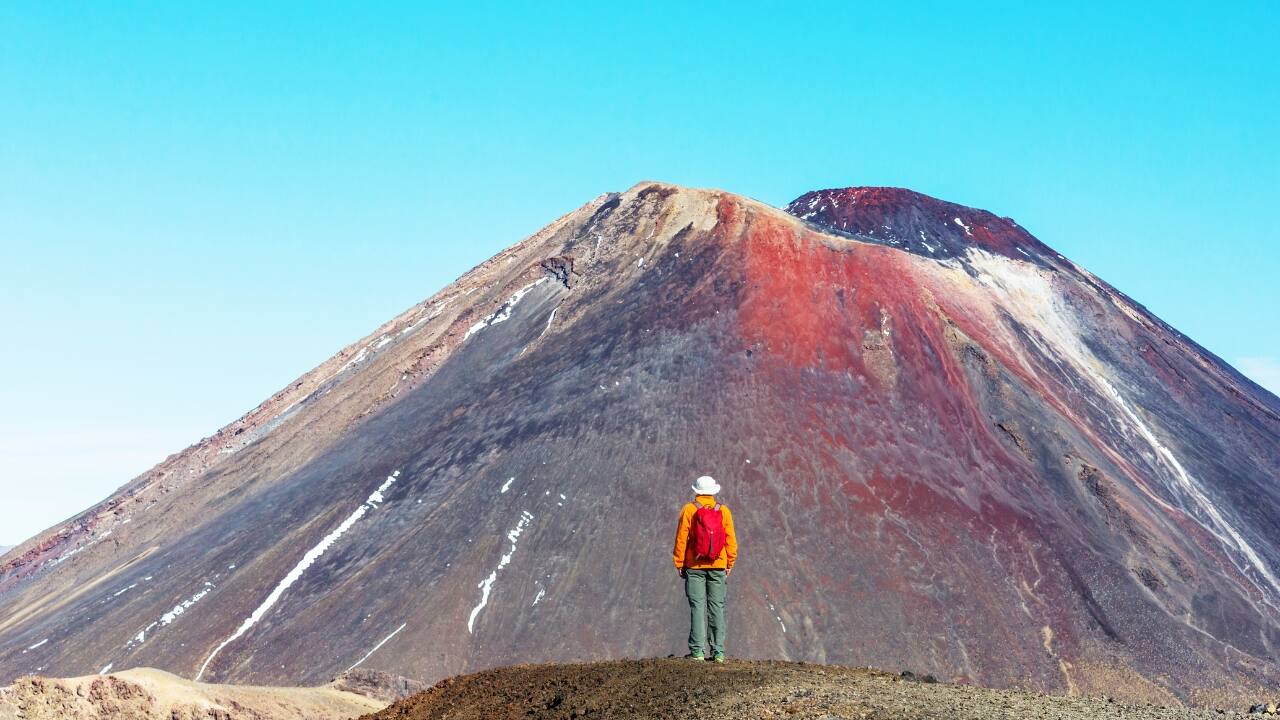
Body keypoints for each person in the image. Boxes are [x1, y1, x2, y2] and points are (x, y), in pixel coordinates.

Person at [672, 474, 738, 662]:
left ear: (696, 491)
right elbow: (731, 541)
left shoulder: (689, 510)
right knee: (717, 606)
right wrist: (729, 563)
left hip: (694, 566)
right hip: (718, 565)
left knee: (697, 606)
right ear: (713, 492)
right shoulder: (724, 511)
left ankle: (697, 652)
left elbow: (681, 539)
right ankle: (718, 652)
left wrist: (679, 563)